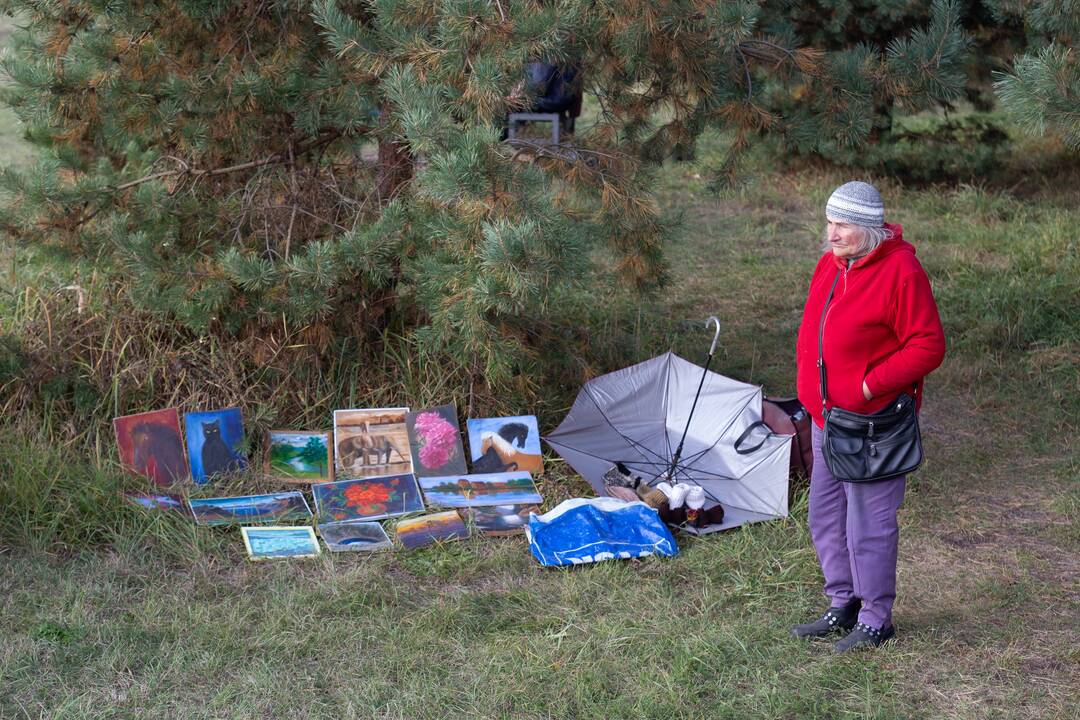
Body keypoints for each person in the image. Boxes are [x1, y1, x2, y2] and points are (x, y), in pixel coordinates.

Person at [790, 181, 946, 652]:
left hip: (872, 423)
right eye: (829, 222)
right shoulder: (832, 264)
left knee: (869, 524)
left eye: (842, 225)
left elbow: (928, 345)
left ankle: (877, 618)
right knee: (826, 516)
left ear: (869, 229)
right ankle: (844, 604)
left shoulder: (901, 271)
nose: (831, 233)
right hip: (826, 418)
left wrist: (867, 385)